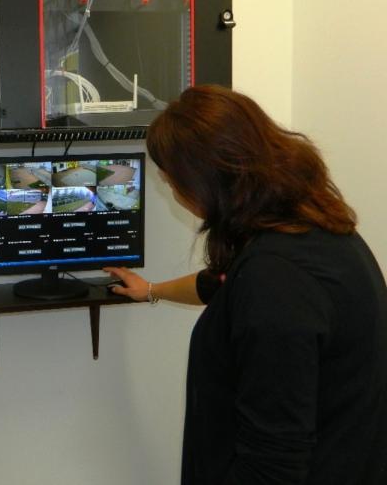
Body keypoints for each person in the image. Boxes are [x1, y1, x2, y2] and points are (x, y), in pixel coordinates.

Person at [104, 86, 387, 484]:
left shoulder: (275, 282)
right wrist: (151, 290)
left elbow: (272, 466)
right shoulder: (313, 233)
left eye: (171, 181)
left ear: (205, 182)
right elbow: (220, 284)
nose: (172, 189)